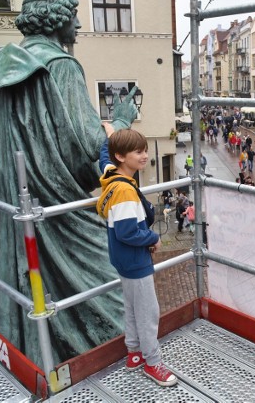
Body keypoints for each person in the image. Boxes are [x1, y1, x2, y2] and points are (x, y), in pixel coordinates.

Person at [0, 0, 138, 364]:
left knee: (30, 283)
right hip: (59, 214)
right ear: (55, 18)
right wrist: (121, 122)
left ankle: (31, 353)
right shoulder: (61, 65)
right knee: (110, 289)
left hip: (15, 208)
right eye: (74, 15)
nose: (78, 25)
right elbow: (88, 152)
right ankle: (98, 355)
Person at [96, 129, 177, 387]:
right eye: (138, 152)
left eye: (144, 150)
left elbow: (103, 157)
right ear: (121, 156)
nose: (144, 156)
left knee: (131, 307)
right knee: (147, 312)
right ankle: (153, 364)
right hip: (135, 260)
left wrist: (110, 133)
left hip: (122, 259)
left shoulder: (111, 176)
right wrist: (152, 239)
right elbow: (128, 231)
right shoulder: (125, 192)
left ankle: (133, 354)